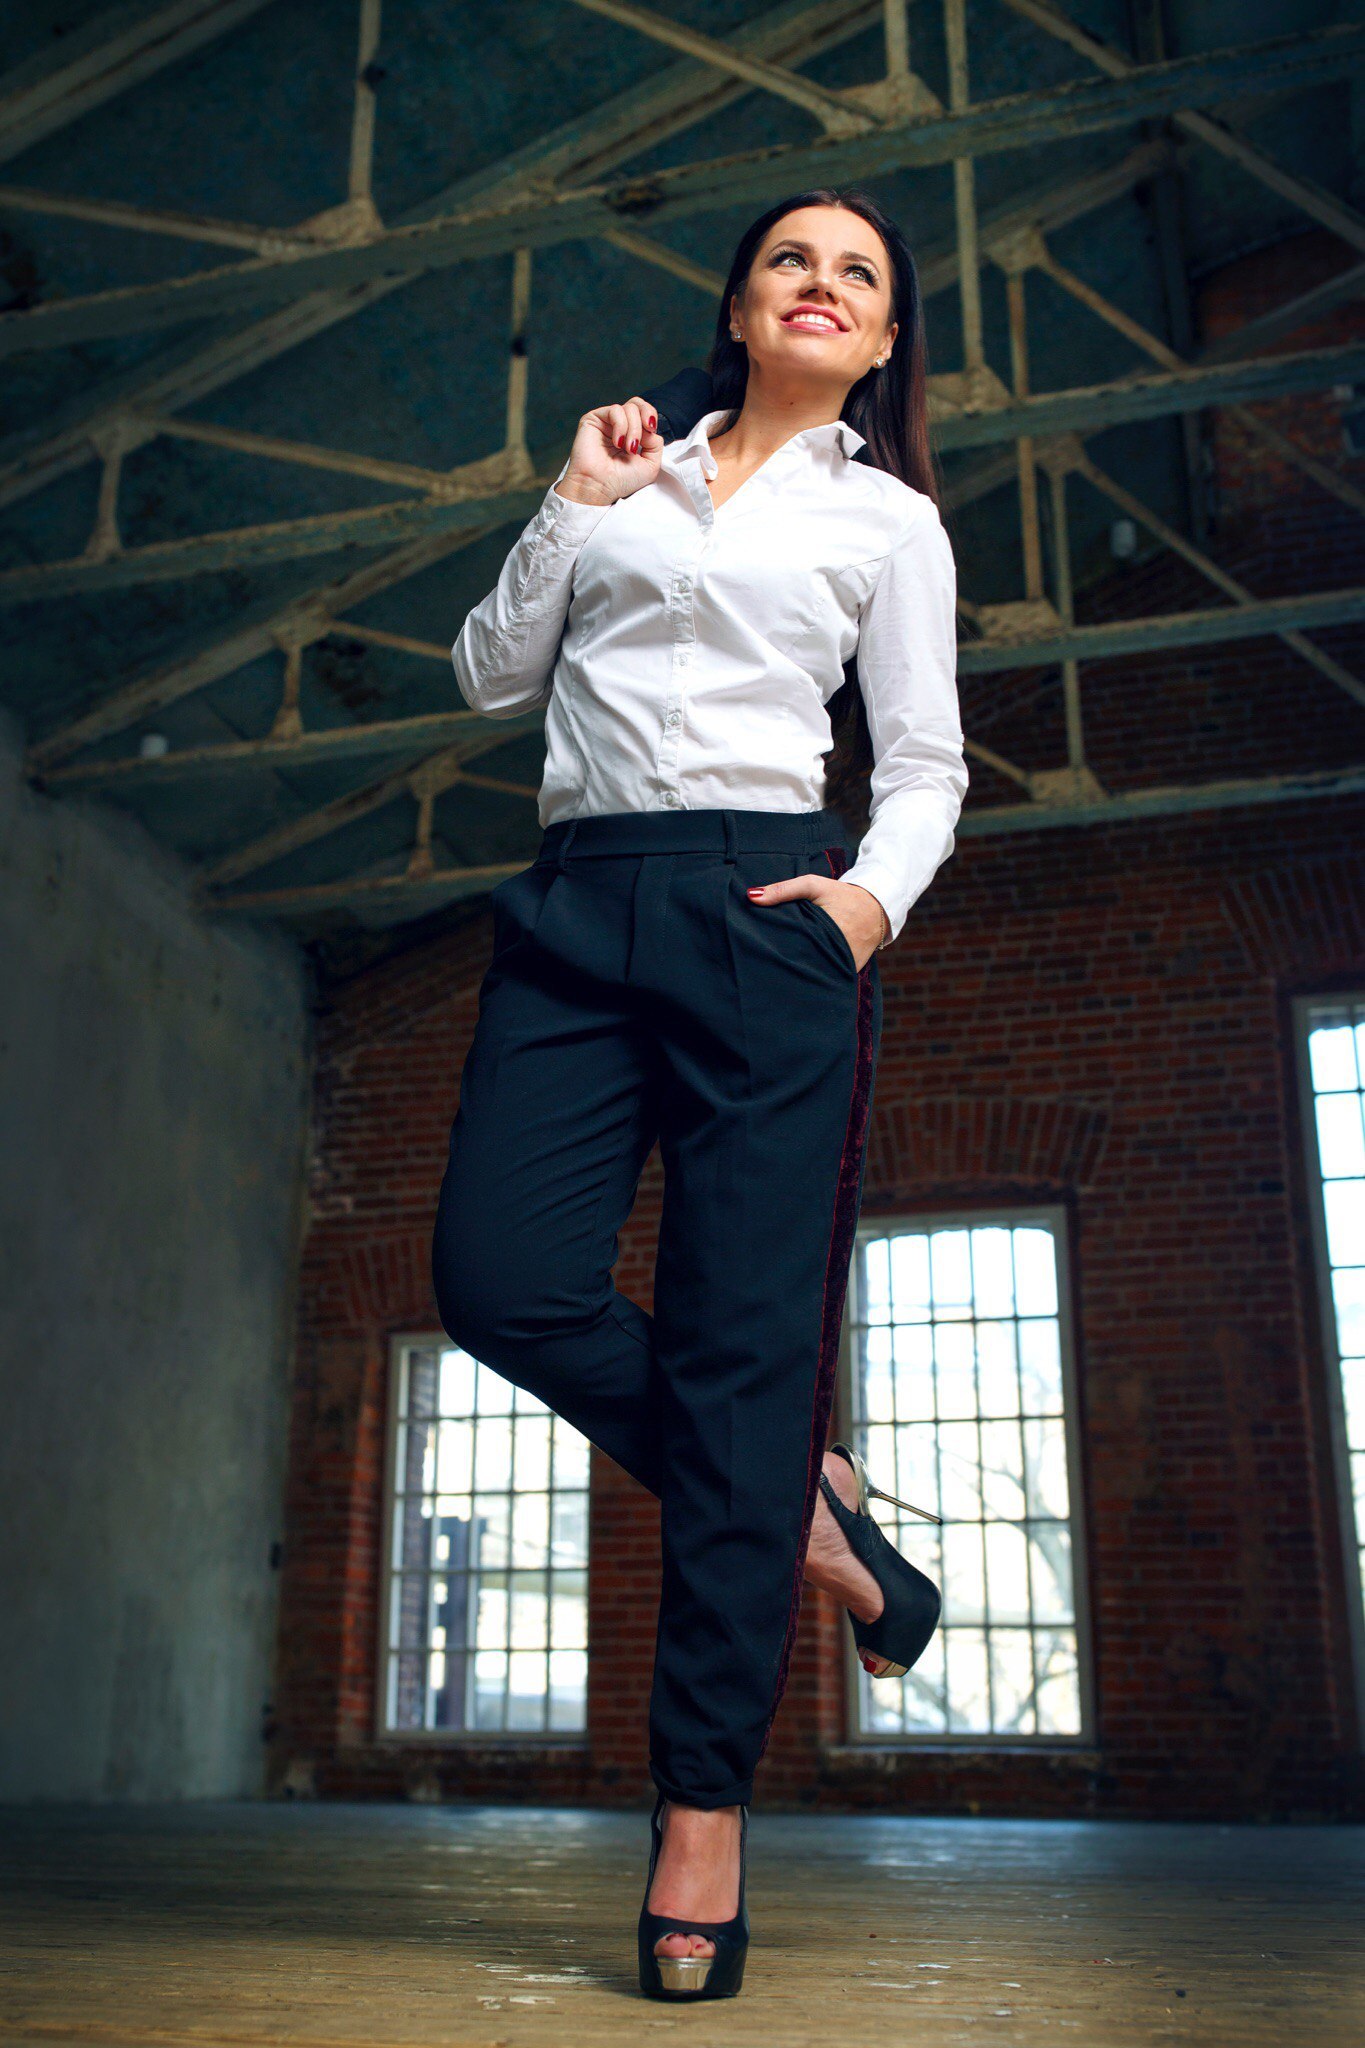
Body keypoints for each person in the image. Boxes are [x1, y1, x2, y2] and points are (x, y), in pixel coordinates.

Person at [432, 185, 967, 2002]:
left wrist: (862, 909)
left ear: (880, 343)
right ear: (737, 307)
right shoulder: (625, 472)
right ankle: (800, 1506)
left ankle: (701, 1813)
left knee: (742, 1354)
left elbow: (924, 762)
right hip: (576, 905)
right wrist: (572, 495)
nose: (820, 284)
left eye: (857, 275)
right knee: (499, 1281)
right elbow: (486, 675)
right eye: (789, 260)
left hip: (765, 916)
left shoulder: (888, 522)